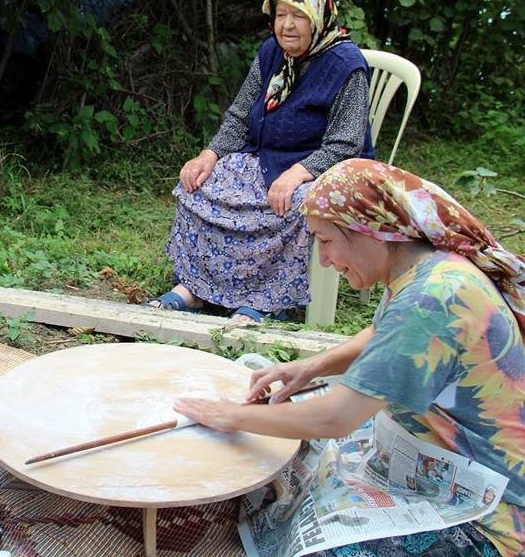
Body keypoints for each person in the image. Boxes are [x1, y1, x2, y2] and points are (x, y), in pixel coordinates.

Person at [174, 158, 525, 556]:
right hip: (431, 453)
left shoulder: (432, 300)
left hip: (489, 513)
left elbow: (335, 418)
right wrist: (309, 367)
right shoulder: (426, 269)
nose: (323, 260)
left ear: (371, 231)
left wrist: (231, 417)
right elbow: (380, 334)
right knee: (294, 429)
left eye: (325, 241)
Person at [149, 0, 374, 322]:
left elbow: (346, 143)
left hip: (323, 166)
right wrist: (209, 154)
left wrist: (297, 174)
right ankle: (195, 289)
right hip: (267, 157)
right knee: (198, 185)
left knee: (299, 204)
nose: (287, 25)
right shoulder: (272, 53)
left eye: (298, 16)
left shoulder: (345, 65)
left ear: (319, 18)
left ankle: (271, 301)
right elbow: (241, 114)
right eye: (280, 15)